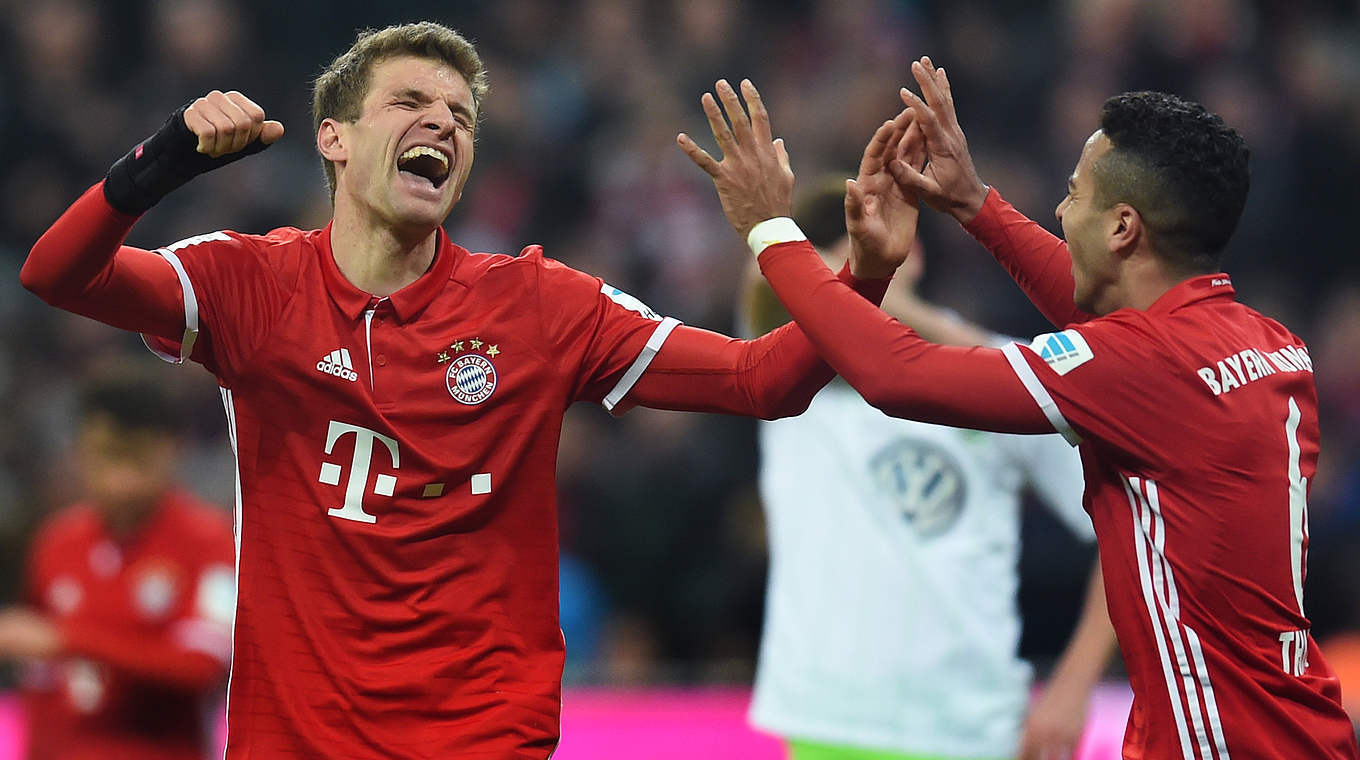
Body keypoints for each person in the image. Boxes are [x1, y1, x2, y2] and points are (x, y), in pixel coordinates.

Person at [20, 22, 901, 760]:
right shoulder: (249, 284)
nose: (442, 123)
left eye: (462, 118)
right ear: (335, 135)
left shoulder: (542, 305)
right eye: (410, 103)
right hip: (290, 741)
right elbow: (56, 274)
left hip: (477, 741)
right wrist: (158, 164)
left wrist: (860, 272)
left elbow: (767, 380)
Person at [712, 56, 1358, 758]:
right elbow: (1106, 326)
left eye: (1075, 194)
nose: (1059, 208)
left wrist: (771, 232)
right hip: (1288, 725)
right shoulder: (1270, 344)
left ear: (1122, 228)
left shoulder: (1138, 367)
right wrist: (975, 205)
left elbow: (897, 375)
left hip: (1220, 744)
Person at [741, 180, 1116, 760]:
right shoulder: (789, 373)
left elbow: (1135, 527)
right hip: (823, 720)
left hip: (970, 730)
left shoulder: (1017, 378)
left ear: (908, 251)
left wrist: (1074, 682)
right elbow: (760, 286)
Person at [0, 369, 234, 760]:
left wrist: (68, 639)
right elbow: (41, 677)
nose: (121, 479)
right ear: (80, 452)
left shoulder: (208, 541)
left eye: (139, 458)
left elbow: (202, 666)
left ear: (173, 449)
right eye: (107, 456)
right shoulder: (57, 542)